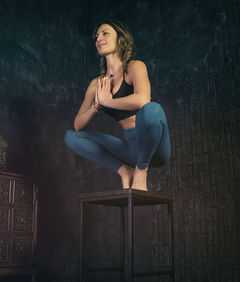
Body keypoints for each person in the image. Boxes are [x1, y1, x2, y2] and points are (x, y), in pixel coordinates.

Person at [64, 20, 171, 191]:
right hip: (130, 148)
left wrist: (108, 101)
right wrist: (97, 105)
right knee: (71, 137)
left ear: (120, 38)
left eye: (105, 33)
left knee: (152, 110)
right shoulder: (96, 84)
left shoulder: (134, 67)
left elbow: (143, 100)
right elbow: (78, 125)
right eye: (97, 36)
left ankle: (141, 170)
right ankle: (125, 171)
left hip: (155, 148)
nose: (99, 38)